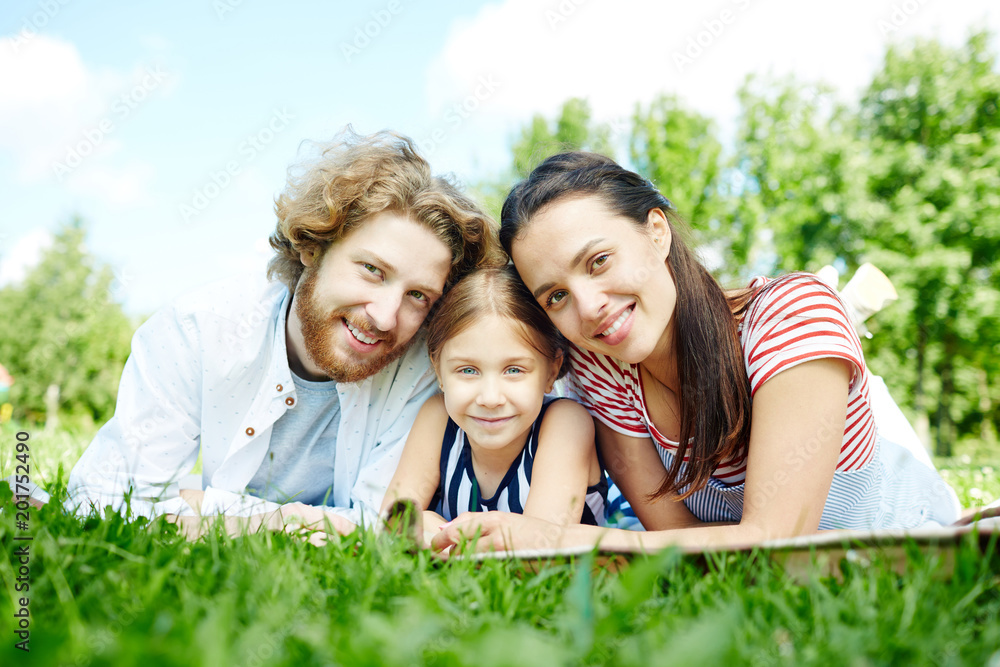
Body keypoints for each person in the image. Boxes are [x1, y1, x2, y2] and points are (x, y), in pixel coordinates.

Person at [432, 152, 961, 554]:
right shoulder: (603, 368)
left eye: (598, 262)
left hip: (908, 553)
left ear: (656, 232)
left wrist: (556, 538)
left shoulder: (792, 314)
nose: (589, 308)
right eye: (556, 296)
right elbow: (679, 543)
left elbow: (775, 543)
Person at [66, 129, 499, 537]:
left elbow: (384, 528)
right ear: (313, 246)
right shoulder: (198, 329)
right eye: (372, 270)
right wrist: (296, 522)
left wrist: (207, 508)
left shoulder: (425, 369)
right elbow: (105, 497)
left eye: (418, 295)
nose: (386, 317)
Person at [381, 267, 608, 546]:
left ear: (551, 371)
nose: (490, 398)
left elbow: (539, 547)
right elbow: (394, 523)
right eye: (467, 370)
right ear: (438, 370)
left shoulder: (565, 423)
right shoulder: (438, 417)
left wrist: (437, 534)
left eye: (514, 370)